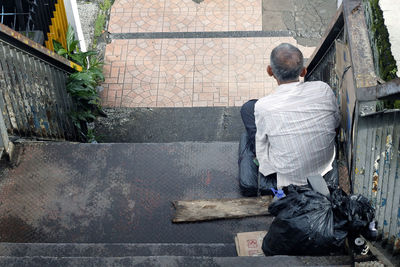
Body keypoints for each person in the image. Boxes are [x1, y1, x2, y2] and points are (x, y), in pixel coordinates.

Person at [240, 43, 340, 189]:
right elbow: (336, 123)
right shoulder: (323, 89)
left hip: (287, 176)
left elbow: (261, 143)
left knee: (248, 108)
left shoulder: (264, 106)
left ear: (270, 71)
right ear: (303, 72)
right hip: (322, 167)